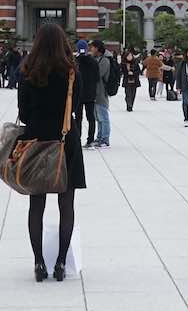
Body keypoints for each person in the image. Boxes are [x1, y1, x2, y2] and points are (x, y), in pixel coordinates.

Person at [15, 23, 85, 282]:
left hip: (36, 141)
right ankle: (60, 263)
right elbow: (77, 106)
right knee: (66, 203)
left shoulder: (28, 71)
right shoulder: (71, 72)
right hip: (66, 140)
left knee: (37, 204)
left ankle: (38, 263)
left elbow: (23, 112)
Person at [89, 40, 115, 148]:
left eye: (93, 47)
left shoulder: (104, 61)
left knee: (103, 116)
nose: (91, 49)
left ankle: (105, 138)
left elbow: (98, 74)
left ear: (98, 48)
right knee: (98, 117)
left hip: (101, 92)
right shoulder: (96, 59)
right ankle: (99, 137)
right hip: (95, 92)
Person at [74, 41, 101, 146]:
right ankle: (90, 140)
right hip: (90, 94)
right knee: (91, 118)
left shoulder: (75, 62)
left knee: (78, 118)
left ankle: (77, 138)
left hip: (78, 94)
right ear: (86, 49)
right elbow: (97, 78)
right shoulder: (93, 62)